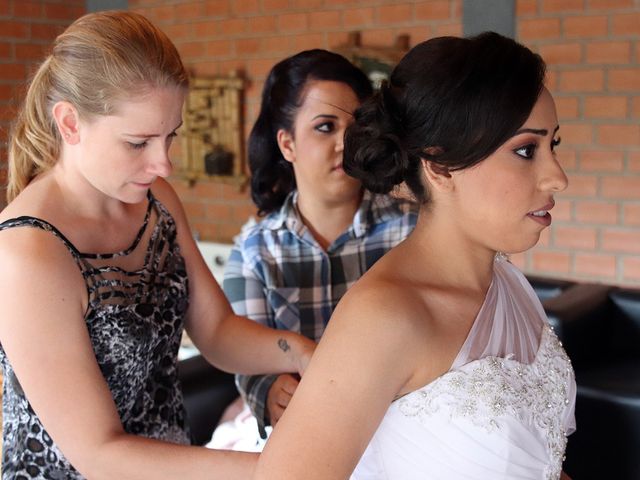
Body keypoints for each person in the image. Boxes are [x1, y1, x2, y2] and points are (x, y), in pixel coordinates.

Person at [0, 11, 315, 479]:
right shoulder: (28, 252)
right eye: (137, 142)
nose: (163, 163)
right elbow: (99, 453)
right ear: (69, 123)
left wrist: (307, 353)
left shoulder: (156, 201)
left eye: (170, 136)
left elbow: (217, 333)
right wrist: (267, 470)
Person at [252, 32, 577, 480]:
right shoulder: (385, 316)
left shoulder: (505, 284)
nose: (556, 178)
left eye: (552, 146)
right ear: (440, 166)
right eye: (526, 150)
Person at [219, 49, 418, 444]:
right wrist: (268, 392)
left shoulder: (413, 230)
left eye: (356, 126)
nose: (346, 142)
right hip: (301, 440)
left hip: (403, 435)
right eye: (325, 127)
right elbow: (248, 363)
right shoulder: (254, 254)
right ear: (287, 144)